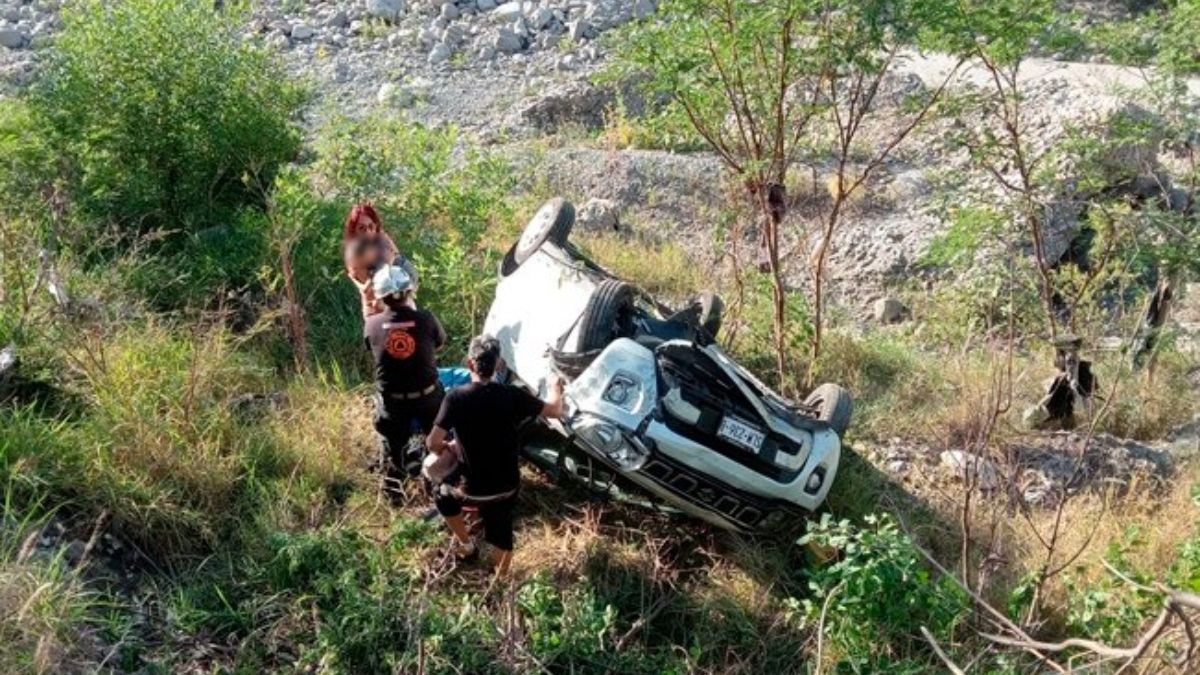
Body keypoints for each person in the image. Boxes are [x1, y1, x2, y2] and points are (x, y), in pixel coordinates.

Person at [425, 336, 564, 575]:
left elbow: (432, 442)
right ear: (498, 363)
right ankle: (499, 580)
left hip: (469, 490)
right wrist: (555, 388)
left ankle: (467, 545)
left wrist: (448, 448)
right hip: (506, 489)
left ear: (470, 364)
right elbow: (554, 410)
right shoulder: (512, 395)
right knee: (501, 532)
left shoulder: (456, 397)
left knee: (442, 494)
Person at [365, 264, 446, 499]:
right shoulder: (426, 318)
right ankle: (439, 486)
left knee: (393, 446)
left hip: (393, 403)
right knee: (438, 440)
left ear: (380, 296)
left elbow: (372, 348)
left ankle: (395, 492)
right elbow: (439, 344)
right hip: (428, 396)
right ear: (409, 291)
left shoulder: (371, 324)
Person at [343, 203, 417, 319]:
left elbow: (399, 260)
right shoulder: (354, 253)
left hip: (402, 303)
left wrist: (392, 257)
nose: (368, 232)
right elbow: (369, 290)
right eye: (362, 228)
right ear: (354, 230)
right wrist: (388, 263)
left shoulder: (382, 240)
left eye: (371, 227)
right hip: (377, 311)